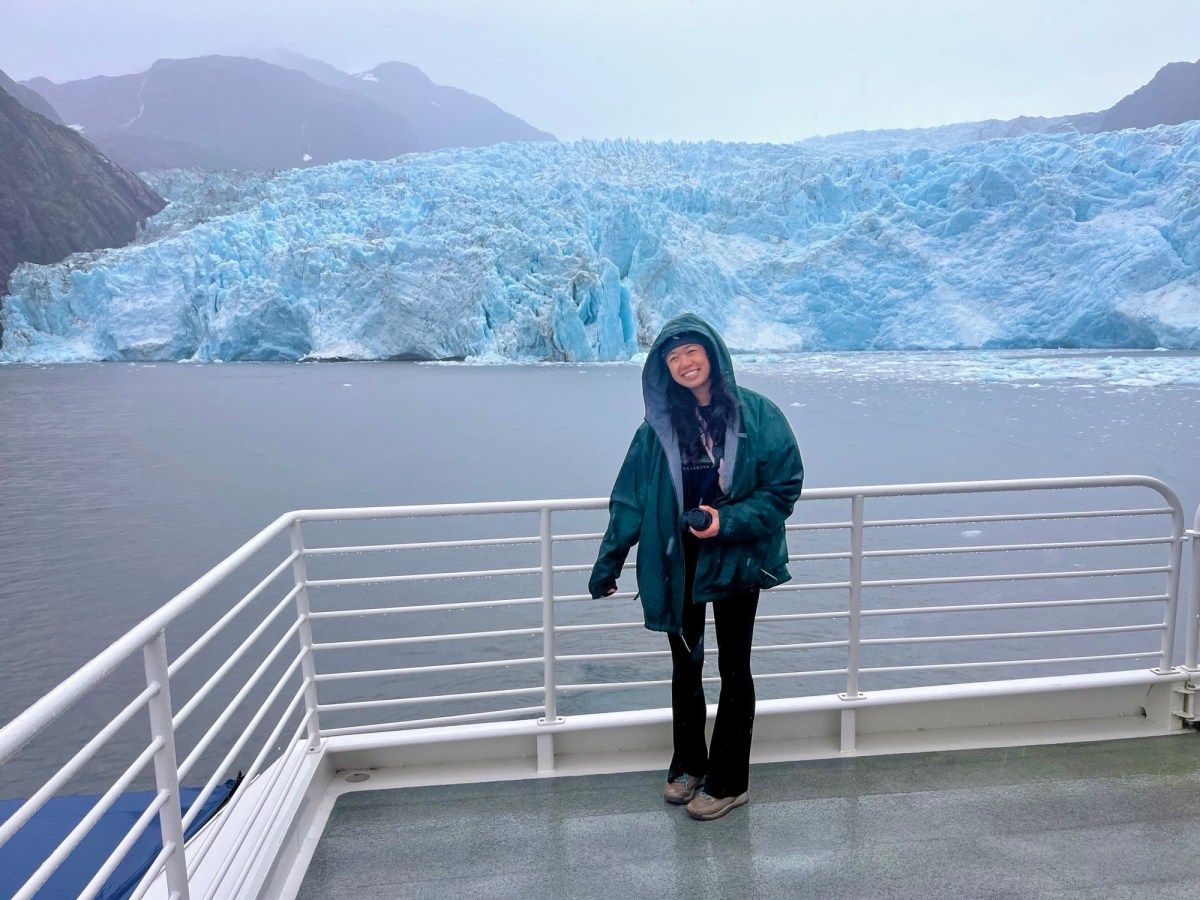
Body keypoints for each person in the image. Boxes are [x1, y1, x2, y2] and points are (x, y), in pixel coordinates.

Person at [589, 312, 803, 821]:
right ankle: (688, 764)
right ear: (664, 368)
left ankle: (730, 781)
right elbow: (630, 500)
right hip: (675, 561)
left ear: (712, 355)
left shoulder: (757, 415)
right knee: (686, 666)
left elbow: (784, 486)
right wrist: (609, 563)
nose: (685, 363)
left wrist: (724, 523)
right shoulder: (657, 429)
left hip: (734, 557)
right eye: (673, 356)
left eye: (692, 352)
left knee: (733, 666)